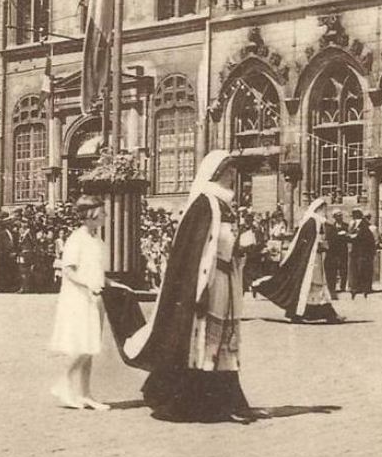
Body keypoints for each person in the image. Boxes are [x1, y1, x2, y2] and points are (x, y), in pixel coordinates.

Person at [118, 150, 262, 423]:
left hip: (226, 280)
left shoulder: (225, 205)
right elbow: (194, 252)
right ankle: (196, 401)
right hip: (208, 283)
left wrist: (241, 249)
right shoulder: (205, 204)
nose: (233, 176)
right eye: (229, 171)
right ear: (217, 174)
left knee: (223, 341)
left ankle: (227, 400)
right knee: (203, 341)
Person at [48, 195, 111, 411]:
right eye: (102, 213)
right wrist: (88, 285)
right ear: (91, 215)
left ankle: (85, 394)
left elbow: (96, 270)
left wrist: (113, 284)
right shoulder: (77, 238)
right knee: (83, 345)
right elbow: (69, 270)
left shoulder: (96, 240)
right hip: (79, 298)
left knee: (91, 346)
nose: (105, 216)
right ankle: (63, 382)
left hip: (95, 297)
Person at [253, 198, 343, 323]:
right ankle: (311, 314)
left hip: (314, 260)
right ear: (319, 209)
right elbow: (309, 242)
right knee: (310, 287)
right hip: (311, 262)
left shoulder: (314, 221)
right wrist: (321, 245)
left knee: (314, 288)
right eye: (324, 209)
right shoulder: (313, 221)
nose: (325, 212)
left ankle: (315, 314)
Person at [347, 208, 375, 298]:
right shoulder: (355, 224)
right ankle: (356, 287)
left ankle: (364, 288)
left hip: (362, 252)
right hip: (356, 252)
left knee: (362, 270)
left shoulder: (364, 225)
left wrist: (349, 237)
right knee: (355, 270)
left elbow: (360, 237)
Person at [325, 210, 349, 297]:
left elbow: (349, 237)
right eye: (337, 216)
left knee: (343, 268)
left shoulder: (346, 226)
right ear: (334, 217)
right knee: (334, 269)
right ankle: (333, 287)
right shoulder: (332, 227)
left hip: (343, 250)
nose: (340, 217)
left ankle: (343, 286)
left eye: (340, 215)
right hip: (334, 251)